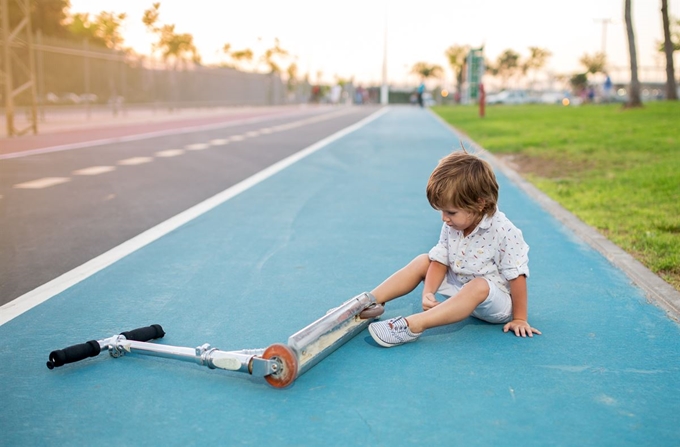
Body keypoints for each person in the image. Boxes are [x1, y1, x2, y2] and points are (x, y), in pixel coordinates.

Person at [366, 150, 541, 348]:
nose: (444, 218)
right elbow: (440, 259)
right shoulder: (453, 224)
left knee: (478, 285)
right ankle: (370, 301)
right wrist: (428, 293)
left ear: (479, 204)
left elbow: (516, 276)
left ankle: (413, 325)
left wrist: (519, 318)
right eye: (441, 211)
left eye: (450, 212)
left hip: (494, 303)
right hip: (461, 289)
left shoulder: (504, 231)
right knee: (424, 260)